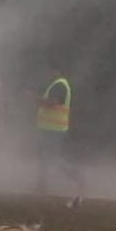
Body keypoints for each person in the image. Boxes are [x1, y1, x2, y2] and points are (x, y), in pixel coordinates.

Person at [35, 68, 85, 207]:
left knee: (51, 158)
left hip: (53, 129)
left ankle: (77, 176)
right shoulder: (60, 84)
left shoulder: (59, 84)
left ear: (56, 70)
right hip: (51, 128)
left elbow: (52, 104)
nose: (47, 73)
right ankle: (41, 185)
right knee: (44, 156)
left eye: (50, 70)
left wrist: (35, 99)